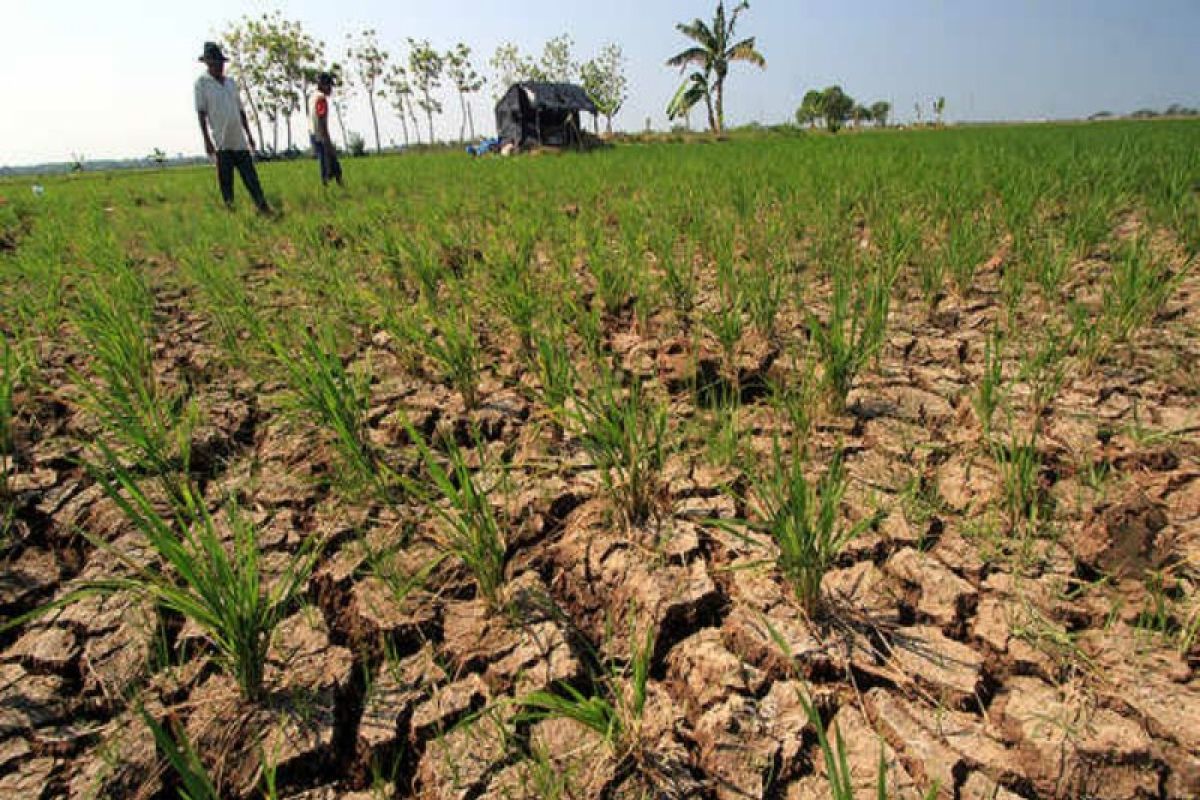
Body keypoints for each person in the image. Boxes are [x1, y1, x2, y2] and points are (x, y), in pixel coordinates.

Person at [194, 42, 271, 213]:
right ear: (208, 63)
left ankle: (262, 206)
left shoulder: (230, 83)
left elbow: (240, 110)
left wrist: (249, 135)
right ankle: (231, 210)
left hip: (239, 139)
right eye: (214, 63)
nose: (219, 66)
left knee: (251, 176)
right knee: (226, 180)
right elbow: (201, 113)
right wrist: (206, 140)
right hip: (221, 140)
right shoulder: (202, 84)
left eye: (221, 63)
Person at [309, 73, 344, 187]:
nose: (331, 89)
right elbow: (321, 119)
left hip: (313, 135)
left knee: (326, 165)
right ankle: (333, 189)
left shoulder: (312, 97)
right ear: (323, 85)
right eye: (329, 86)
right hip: (321, 136)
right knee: (331, 165)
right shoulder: (321, 98)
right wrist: (327, 140)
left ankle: (332, 189)